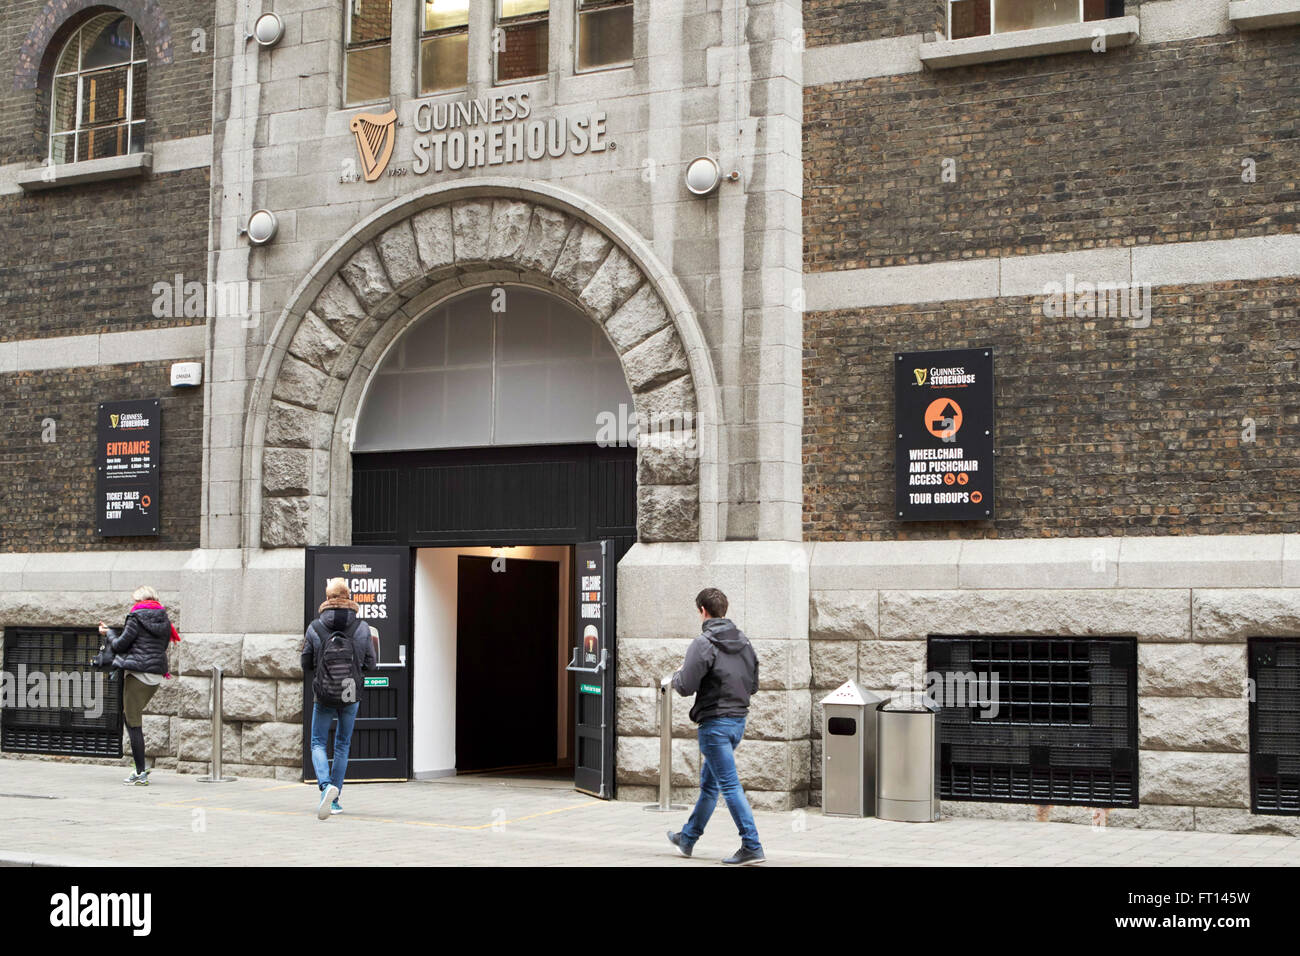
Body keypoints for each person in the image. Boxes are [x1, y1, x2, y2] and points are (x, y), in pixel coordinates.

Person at [666, 587, 765, 865]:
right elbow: (754, 685)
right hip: (737, 722)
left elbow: (685, 686)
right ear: (725, 609)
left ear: (702, 611)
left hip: (715, 726)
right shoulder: (744, 641)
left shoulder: (703, 643)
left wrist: (675, 677)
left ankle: (752, 844)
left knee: (729, 786)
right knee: (710, 786)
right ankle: (687, 839)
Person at [302, 577, 376, 820]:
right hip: (350, 692)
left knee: (317, 743)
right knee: (342, 744)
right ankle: (335, 800)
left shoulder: (315, 627)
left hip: (323, 693)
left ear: (328, 597)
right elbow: (371, 664)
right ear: (348, 595)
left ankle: (325, 788)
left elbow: (305, 663)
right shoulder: (363, 627)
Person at [99, 585, 179, 786]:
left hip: (138, 675)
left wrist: (108, 633)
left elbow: (119, 645)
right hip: (156, 676)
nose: (133, 605)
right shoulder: (164, 620)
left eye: (135, 601)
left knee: (133, 722)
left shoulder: (136, 617)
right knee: (132, 720)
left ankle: (140, 772)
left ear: (141, 601)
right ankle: (140, 768)